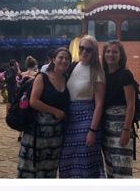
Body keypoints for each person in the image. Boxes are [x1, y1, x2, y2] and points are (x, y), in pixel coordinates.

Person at [18, 47, 71, 178]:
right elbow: (33, 101)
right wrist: (55, 111)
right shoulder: (42, 77)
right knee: (30, 170)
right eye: (61, 57)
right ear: (53, 59)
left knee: (49, 170)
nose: (64, 61)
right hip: (37, 133)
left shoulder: (66, 79)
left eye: (67, 59)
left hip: (55, 136)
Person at [60, 35, 106, 178]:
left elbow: (99, 104)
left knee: (86, 162)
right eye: (81, 48)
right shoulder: (73, 66)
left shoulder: (97, 71)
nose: (84, 52)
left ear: (94, 52)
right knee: (66, 161)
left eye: (88, 50)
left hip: (87, 120)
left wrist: (92, 130)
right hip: (70, 121)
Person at [100, 40, 137, 177]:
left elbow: (131, 104)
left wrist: (126, 130)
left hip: (121, 125)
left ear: (121, 55)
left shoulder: (125, 74)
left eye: (115, 52)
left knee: (121, 167)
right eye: (108, 51)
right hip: (106, 127)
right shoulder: (103, 75)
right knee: (109, 166)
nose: (111, 55)